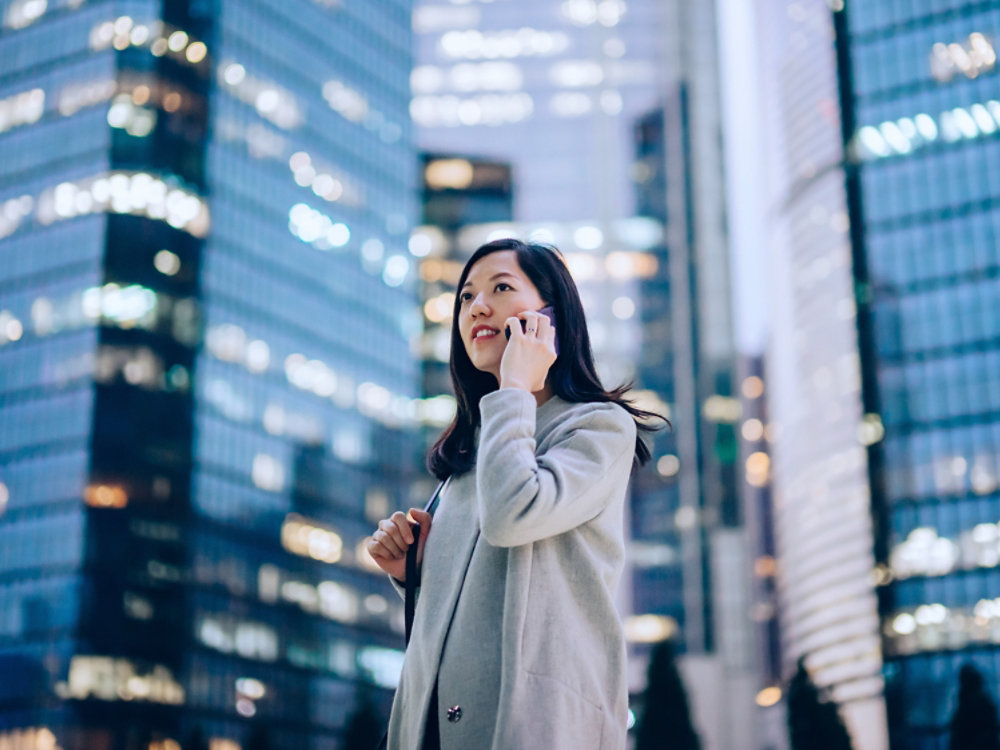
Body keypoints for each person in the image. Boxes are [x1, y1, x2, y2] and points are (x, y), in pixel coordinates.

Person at [366, 238, 664, 750]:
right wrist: (413, 573)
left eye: (501, 288)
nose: (477, 306)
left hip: (538, 725)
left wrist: (514, 389)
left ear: (550, 318)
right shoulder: (476, 451)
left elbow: (513, 516)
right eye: (465, 297)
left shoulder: (597, 427)